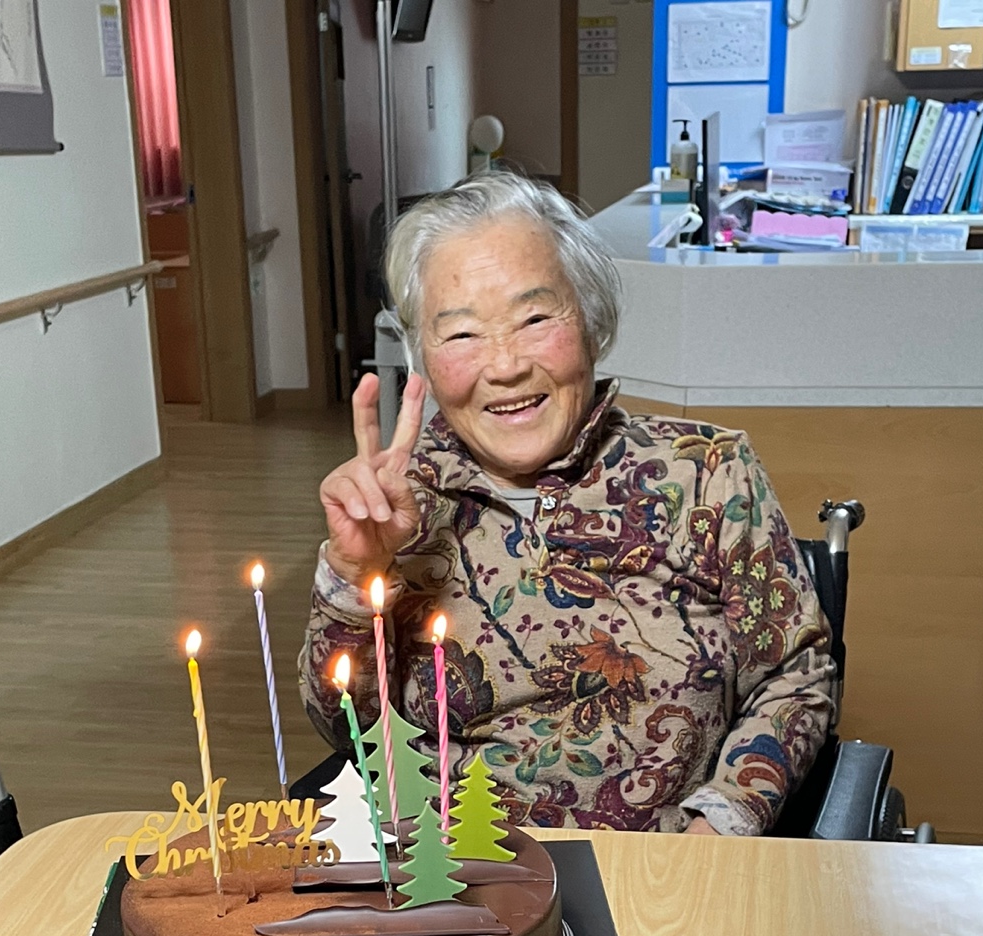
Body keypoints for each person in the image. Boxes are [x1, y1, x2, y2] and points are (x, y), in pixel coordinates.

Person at [298, 173, 834, 836]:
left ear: (589, 319)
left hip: (660, 868)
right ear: (424, 360)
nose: (505, 366)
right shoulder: (396, 501)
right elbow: (343, 729)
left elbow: (794, 676)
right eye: (462, 335)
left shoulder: (706, 473)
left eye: (533, 319)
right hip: (448, 871)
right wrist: (356, 576)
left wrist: (719, 825)